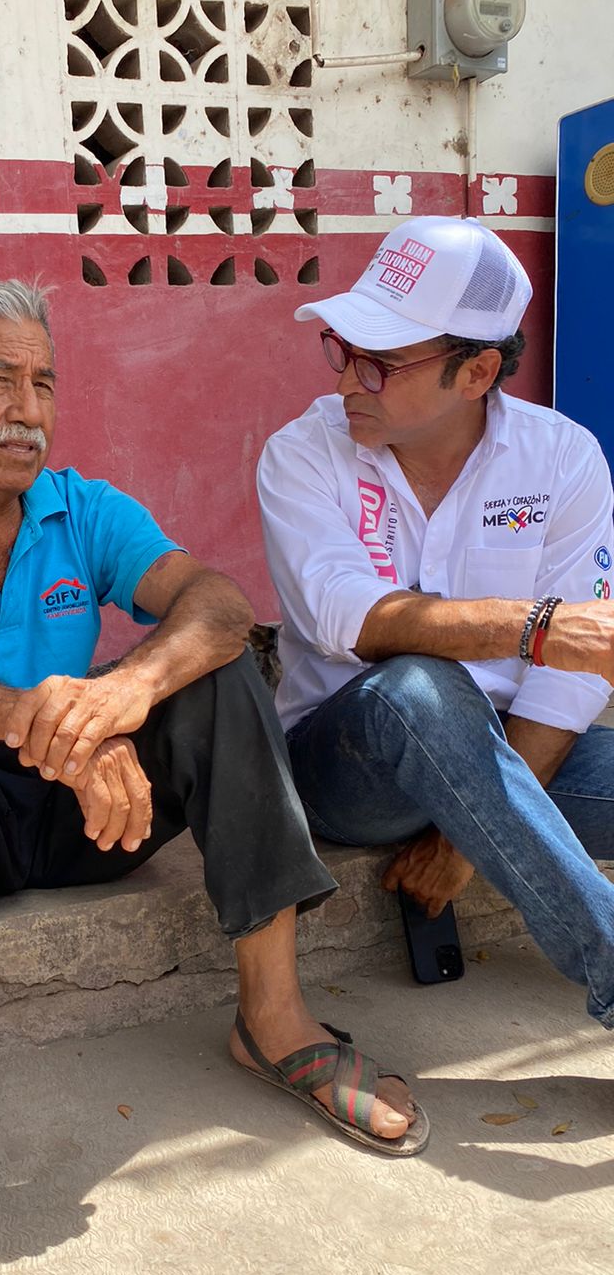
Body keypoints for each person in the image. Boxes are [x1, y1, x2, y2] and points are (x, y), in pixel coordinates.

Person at [0, 279, 429, 1263]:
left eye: (44, 384)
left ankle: (272, 1011)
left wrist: (125, 694)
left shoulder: (81, 510)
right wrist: (33, 718)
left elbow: (216, 603)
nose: (30, 410)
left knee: (216, 674)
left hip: (98, 823)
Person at [257, 214, 614, 1032]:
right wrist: (535, 628)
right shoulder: (304, 453)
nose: (349, 380)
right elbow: (346, 615)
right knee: (422, 688)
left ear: (478, 370)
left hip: (504, 755)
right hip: (350, 763)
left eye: (380, 363)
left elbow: (568, 681)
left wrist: (466, 839)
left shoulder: (561, 459)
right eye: (342, 350)